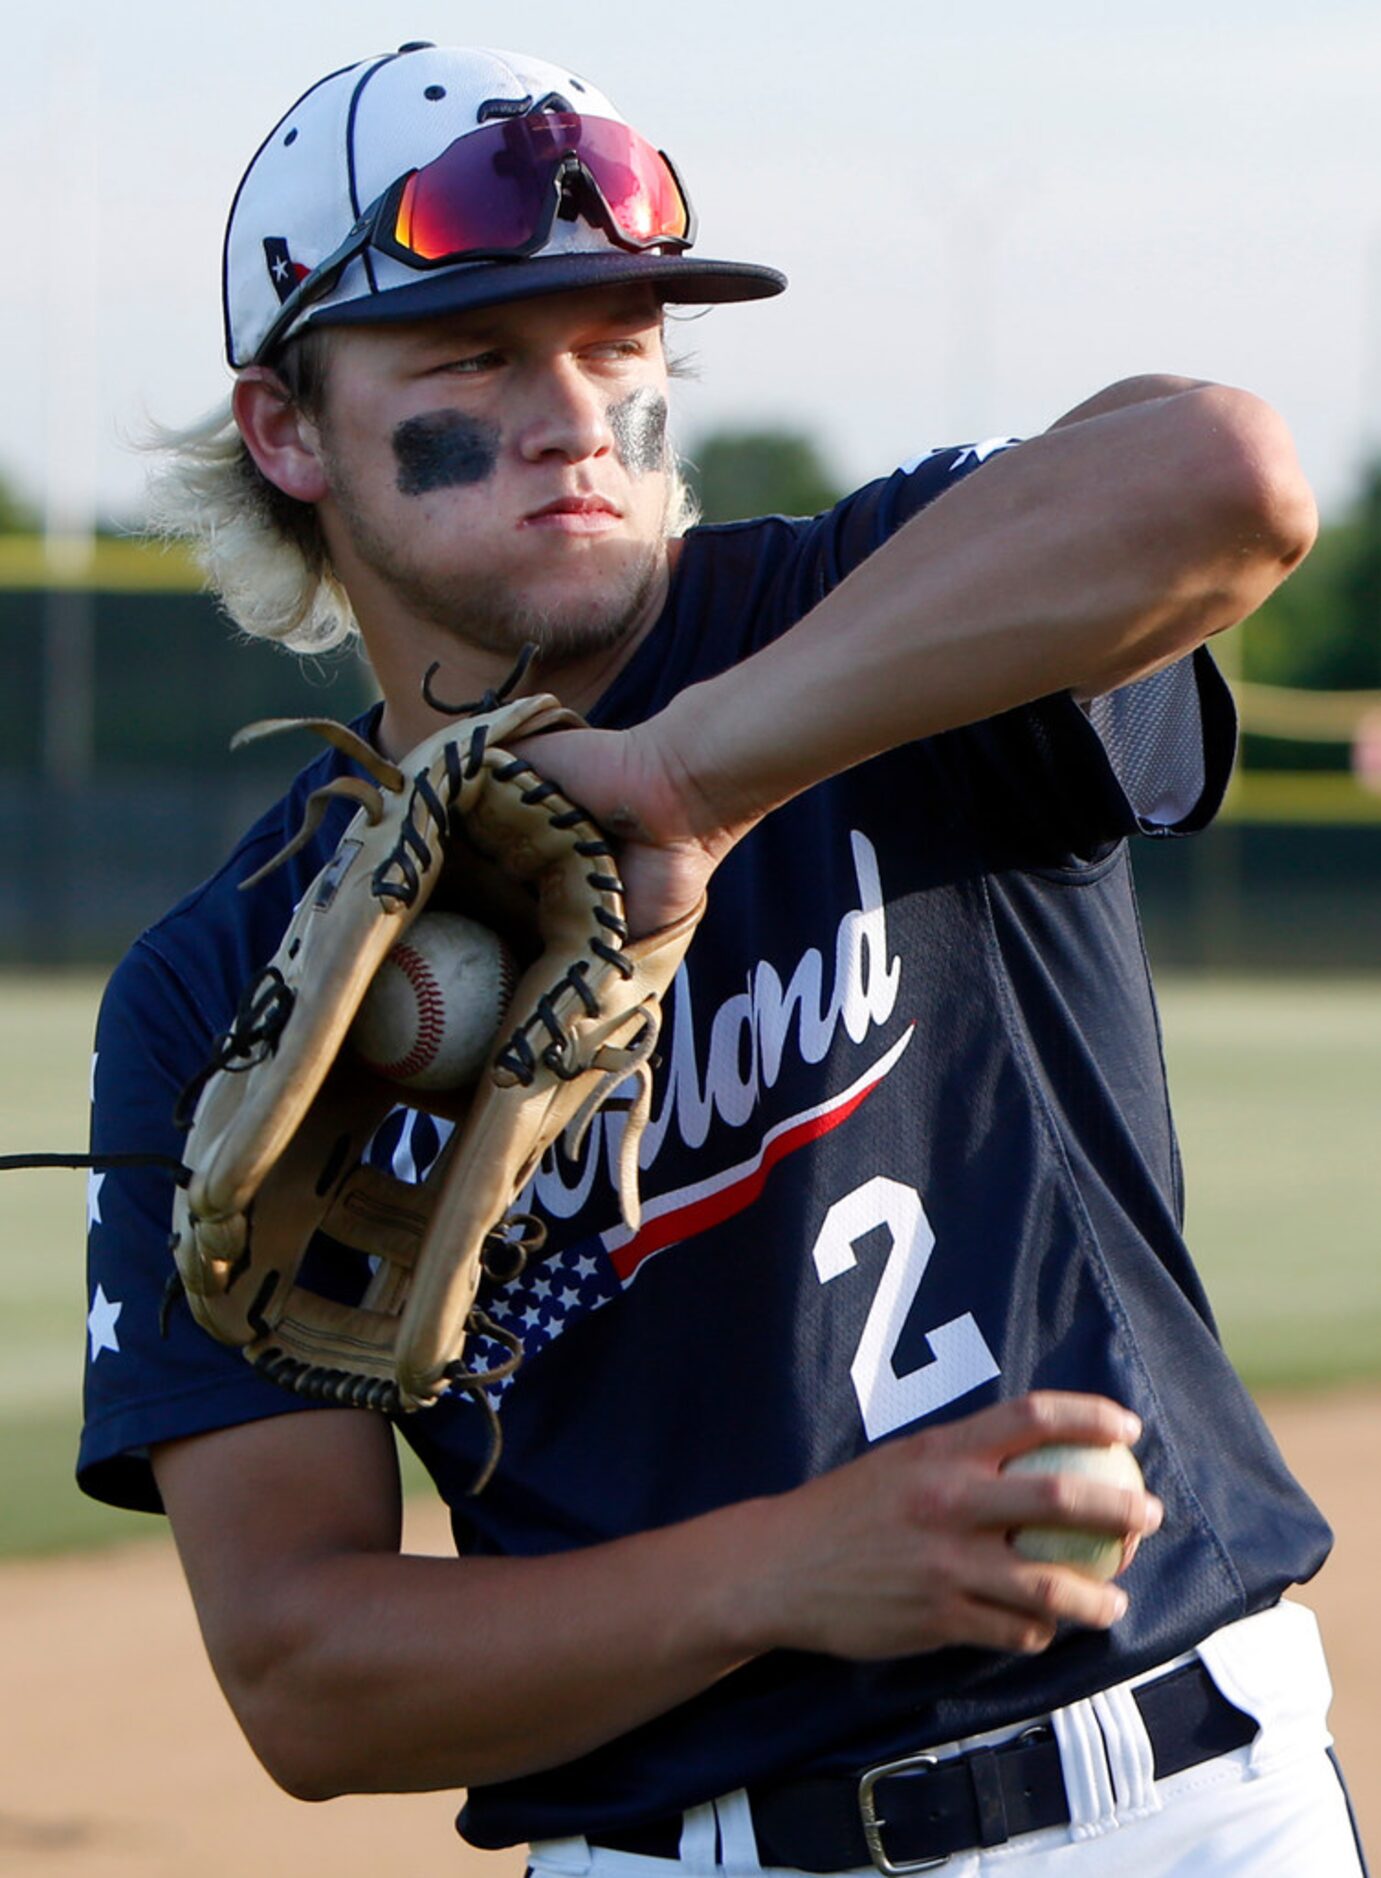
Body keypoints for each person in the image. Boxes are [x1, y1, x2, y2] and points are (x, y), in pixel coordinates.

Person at [78, 41, 1367, 1878]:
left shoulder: (887, 615)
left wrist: (693, 774)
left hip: (1172, 1808)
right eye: (473, 355)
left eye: (619, 344)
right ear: (287, 432)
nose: (573, 411)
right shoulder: (227, 980)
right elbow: (305, 1674)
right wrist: (786, 1569)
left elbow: (1225, 474)